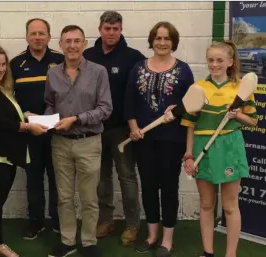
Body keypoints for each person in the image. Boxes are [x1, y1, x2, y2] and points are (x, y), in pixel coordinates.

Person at [181, 41, 258, 257]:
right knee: (206, 204)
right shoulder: (197, 88)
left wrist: (237, 115)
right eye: (210, 60)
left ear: (230, 62)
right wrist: (188, 154)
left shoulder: (241, 87)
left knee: (230, 206)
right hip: (202, 148)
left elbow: (253, 122)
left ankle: (230, 254)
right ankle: (208, 253)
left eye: (219, 60)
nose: (214, 65)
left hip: (230, 147)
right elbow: (190, 125)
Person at [124, 21, 194, 257]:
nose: (162, 43)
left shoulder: (184, 70)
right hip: (143, 139)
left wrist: (179, 109)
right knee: (149, 187)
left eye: (167, 38)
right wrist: (133, 127)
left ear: (173, 42)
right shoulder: (137, 68)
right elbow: (129, 102)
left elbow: (192, 106)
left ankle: (167, 239)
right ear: (152, 40)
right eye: (158, 38)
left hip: (172, 140)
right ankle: (152, 234)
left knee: (169, 187)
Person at [0, 44, 48, 257]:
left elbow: (7, 117)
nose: (1, 69)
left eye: (3, 64)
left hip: (6, 157)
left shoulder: (1, 90)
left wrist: (26, 115)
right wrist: (27, 126)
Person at [45, 25, 113, 257]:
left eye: (77, 41)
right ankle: (67, 240)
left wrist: (75, 119)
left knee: (89, 197)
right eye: (68, 41)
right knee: (64, 197)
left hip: (89, 142)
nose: (72, 45)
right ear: (60, 45)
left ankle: (88, 242)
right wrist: (46, 120)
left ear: (84, 43)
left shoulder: (98, 72)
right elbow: (50, 103)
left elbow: (106, 109)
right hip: (60, 143)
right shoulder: (53, 73)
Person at [83, 10, 145, 244]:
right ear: (100, 29)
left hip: (121, 129)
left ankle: (132, 224)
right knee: (100, 179)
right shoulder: (87, 55)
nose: (111, 33)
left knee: (127, 177)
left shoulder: (133, 57)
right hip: (94, 128)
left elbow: (138, 95)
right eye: (107, 29)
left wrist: (135, 124)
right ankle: (105, 220)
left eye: (115, 29)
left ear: (121, 30)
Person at [10, 18, 64, 240]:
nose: (38, 37)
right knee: (33, 178)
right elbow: (8, 97)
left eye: (42, 33)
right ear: (26, 36)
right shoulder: (16, 64)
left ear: (49, 37)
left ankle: (58, 220)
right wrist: (24, 116)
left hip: (59, 131)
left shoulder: (61, 61)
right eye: (33, 33)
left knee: (58, 178)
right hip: (30, 132)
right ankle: (35, 221)